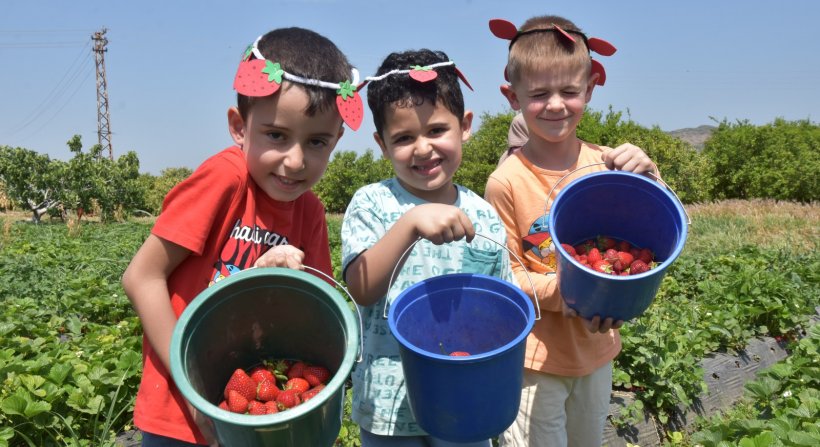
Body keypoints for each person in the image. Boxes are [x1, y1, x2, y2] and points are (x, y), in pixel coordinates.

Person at [121, 27, 360, 446]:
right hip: (180, 412)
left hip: (262, 422)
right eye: (276, 136)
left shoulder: (311, 212)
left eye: (317, 141)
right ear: (239, 127)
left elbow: (314, 314)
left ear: (337, 140)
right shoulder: (225, 180)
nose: (295, 161)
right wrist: (191, 390)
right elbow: (142, 277)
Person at [484, 15, 659, 447]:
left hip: (597, 353)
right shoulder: (506, 182)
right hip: (534, 362)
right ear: (513, 97)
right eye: (539, 94)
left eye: (568, 91)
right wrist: (575, 294)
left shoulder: (607, 164)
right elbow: (506, 274)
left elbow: (652, 229)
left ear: (590, 90)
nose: (556, 105)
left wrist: (651, 175)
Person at [341, 49, 514, 447]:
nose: (422, 149)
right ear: (382, 144)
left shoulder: (483, 215)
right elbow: (362, 287)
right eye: (403, 138)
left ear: (464, 126)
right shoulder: (372, 203)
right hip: (389, 403)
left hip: (465, 397)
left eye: (436, 130)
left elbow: (501, 311)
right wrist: (410, 225)